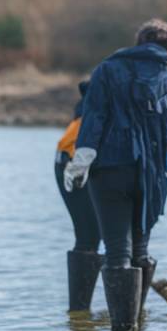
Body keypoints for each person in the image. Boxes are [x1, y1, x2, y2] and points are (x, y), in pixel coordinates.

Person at [65, 19, 167, 331]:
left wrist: (82, 158)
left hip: (108, 173)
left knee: (116, 251)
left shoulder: (107, 70)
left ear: (141, 42)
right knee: (139, 251)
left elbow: (93, 118)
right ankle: (133, 328)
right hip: (150, 180)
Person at [56, 81, 102, 312]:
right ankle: (79, 314)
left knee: (102, 237)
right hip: (70, 162)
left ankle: (87, 314)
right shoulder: (96, 100)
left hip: (93, 162)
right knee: (89, 236)